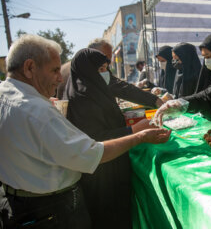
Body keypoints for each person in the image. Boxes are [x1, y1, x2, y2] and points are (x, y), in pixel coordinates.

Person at [0, 35, 171, 228]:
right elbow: (92, 153)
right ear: (30, 68)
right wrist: (138, 135)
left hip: (15, 203)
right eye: (55, 70)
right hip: (49, 210)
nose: (59, 78)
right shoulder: (37, 111)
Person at [64, 48, 156, 228]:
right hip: (102, 175)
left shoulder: (93, 87)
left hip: (111, 165)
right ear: (88, 70)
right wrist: (133, 131)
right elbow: (94, 140)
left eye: (106, 68)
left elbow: (122, 88)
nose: (105, 74)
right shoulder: (82, 97)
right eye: (100, 69)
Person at [56, 38, 163, 108]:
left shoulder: (73, 65)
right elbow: (120, 88)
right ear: (93, 53)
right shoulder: (91, 69)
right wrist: (155, 101)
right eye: (106, 57)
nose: (108, 62)